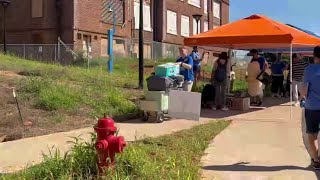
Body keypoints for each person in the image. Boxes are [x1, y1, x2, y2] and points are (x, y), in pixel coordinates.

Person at [300, 46, 320, 169]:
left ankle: (316, 160)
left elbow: (304, 90)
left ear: (314, 56)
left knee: (311, 135)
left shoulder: (309, 69)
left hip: (312, 106)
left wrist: (302, 98)